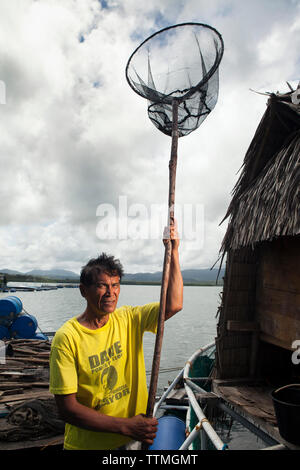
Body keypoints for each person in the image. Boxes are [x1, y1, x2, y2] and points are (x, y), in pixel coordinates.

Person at [49, 224, 183, 450]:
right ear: (84, 290)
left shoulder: (130, 319)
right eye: (102, 286)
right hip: (86, 446)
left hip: (131, 443)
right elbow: (67, 409)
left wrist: (174, 250)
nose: (111, 293)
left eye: (116, 285)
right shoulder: (67, 337)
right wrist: (126, 426)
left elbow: (174, 304)